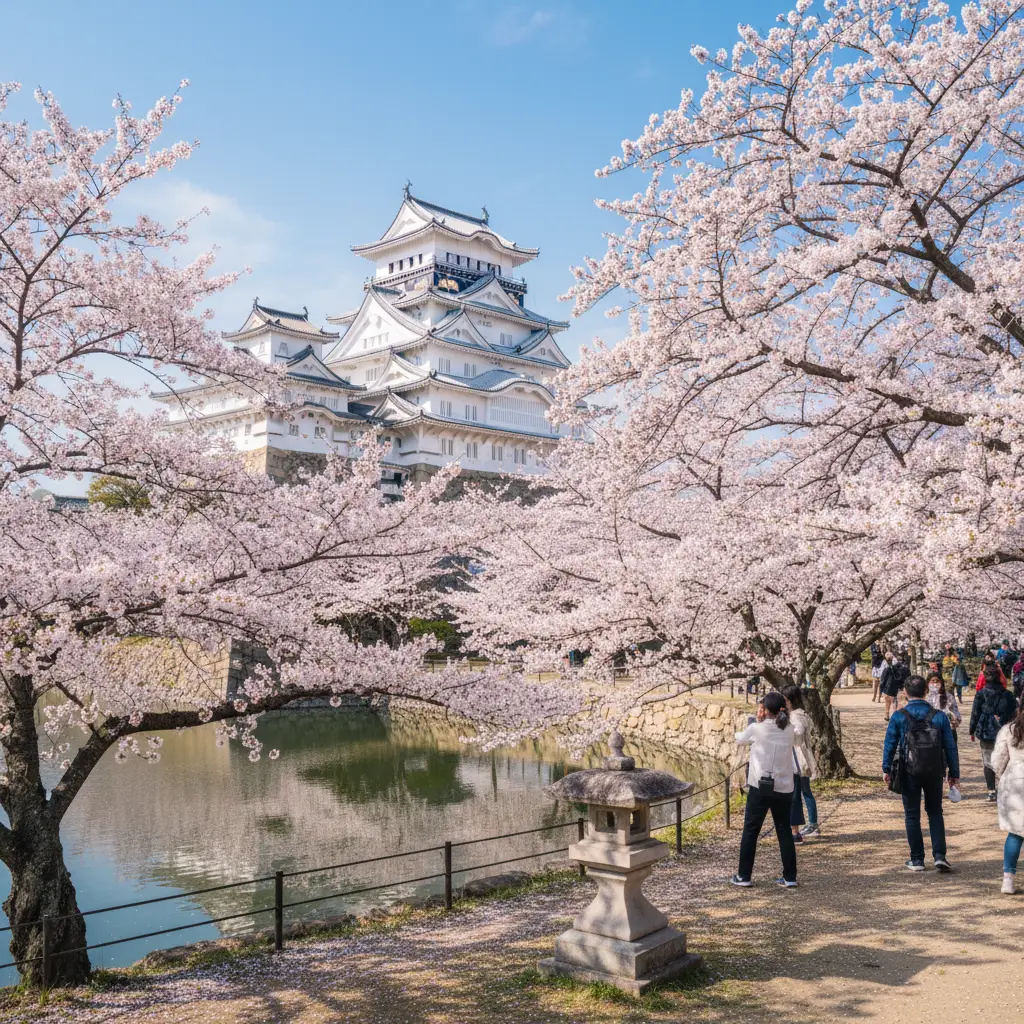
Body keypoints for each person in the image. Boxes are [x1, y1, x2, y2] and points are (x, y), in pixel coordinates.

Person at [883, 674, 960, 872]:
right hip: (935, 770)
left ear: (905, 693)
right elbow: (950, 747)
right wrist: (954, 774)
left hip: (908, 770)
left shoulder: (899, 716)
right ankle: (940, 855)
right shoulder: (939, 716)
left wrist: (886, 770)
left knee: (912, 815)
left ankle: (917, 859)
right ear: (926, 691)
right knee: (935, 812)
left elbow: (890, 745)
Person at [731, 691, 798, 889]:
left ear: (766, 710)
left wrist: (757, 722)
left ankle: (744, 876)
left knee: (751, 830)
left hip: (760, 787)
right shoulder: (789, 730)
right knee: (784, 830)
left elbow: (740, 739)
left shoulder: (756, 728)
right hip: (784, 787)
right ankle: (790, 877)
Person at [970, 665, 1019, 801]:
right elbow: (1015, 713)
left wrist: (972, 730)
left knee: (987, 760)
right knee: (1005, 759)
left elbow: (975, 713)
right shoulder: (1007, 694)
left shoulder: (981, 694)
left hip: (985, 731)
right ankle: (1005, 788)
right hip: (1004, 730)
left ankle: (991, 790)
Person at [993, 702, 1024, 894]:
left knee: (1015, 833)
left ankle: (1008, 880)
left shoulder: (1009, 730)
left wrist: (1002, 774)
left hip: (1015, 781)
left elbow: (998, 760)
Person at [782, 685, 820, 840]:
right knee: (806, 791)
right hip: (802, 757)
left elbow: (799, 731)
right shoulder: (802, 713)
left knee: (804, 792)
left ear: (790, 700)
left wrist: (787, 731)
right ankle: (812, 823)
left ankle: (812, 824)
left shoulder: (796, 716)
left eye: (785, 700)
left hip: (799, 759)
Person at [880, 651, 908, 721]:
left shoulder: (888, 668)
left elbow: (883, 679)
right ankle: (892, 714)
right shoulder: (905, 669)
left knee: (890, 700)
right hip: (898, 686)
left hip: (890, 686)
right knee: (895, 701)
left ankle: (888, 713)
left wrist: (881, 689)